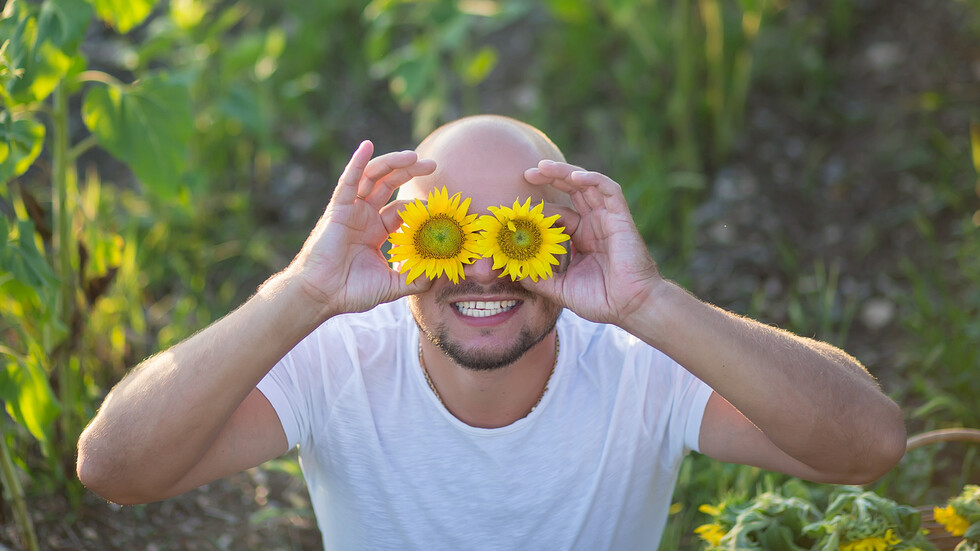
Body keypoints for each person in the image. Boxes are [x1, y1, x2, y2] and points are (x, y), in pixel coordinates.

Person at [77, 115, 906, 549]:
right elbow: (116, 468)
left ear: (569, 237)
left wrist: (649, 302)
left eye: (512, 233)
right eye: (449, 233)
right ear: (398, 240)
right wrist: (303, 290)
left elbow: (866, 444)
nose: (480, 270)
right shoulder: (336, 361)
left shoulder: (639, 364)